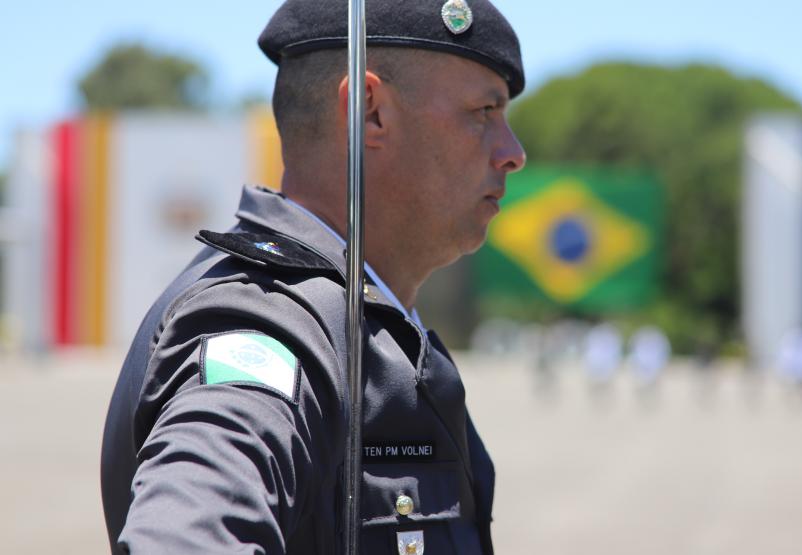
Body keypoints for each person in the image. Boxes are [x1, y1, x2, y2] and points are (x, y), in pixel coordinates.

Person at [99, 0, 526, 553]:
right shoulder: (268, 321)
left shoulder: (358, 320)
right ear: (369, 112)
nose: (512, 152)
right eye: (484, 111)